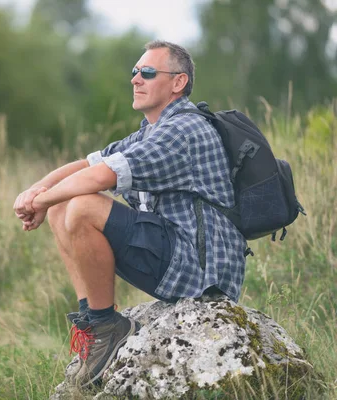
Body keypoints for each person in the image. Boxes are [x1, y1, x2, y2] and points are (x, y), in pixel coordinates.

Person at [12, 40, 247, 387]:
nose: (135, 79)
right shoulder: (151, 130)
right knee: (66, 202)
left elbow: (100, 177)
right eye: (134, 72)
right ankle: (96, 326)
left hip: (202, 272)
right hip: (174, 252)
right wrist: (38, 190)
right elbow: (89, 162)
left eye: (147, 73)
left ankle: (108, 325)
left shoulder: (183, 129)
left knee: (81, 205)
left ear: (178, 83)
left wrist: (41, 202)